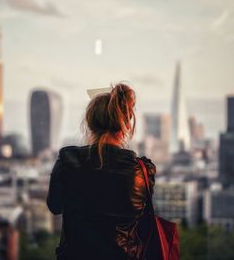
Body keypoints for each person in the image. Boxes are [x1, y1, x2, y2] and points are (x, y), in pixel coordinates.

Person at [47, 83, 156, 260]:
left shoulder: (69, 161)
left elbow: (54, 205)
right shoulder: (141, 171)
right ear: (125, 126)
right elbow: (142, 223)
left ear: (90, 123)